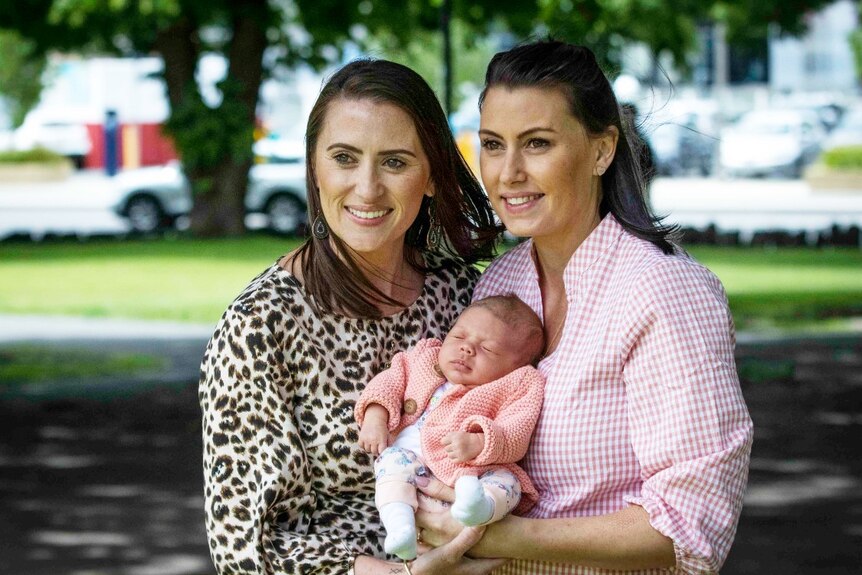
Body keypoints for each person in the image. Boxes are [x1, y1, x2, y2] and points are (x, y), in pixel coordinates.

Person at [415, 40, 754, 575]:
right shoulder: (503, 282)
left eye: (538, 143)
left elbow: (691, 524)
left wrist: (504, 538)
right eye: (493, 144)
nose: (507, 173)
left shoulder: (662, 291)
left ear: (601, 150)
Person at [198, 58, 506, 575]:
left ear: (431, 176)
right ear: (314, 167)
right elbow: (247, 544)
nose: (366, 188)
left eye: (394, 162)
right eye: (344, 157)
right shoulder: (260, 326)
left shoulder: (466, 295)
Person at [355, 295, 545, 560]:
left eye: (487, 349)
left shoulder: (516, 386)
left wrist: (480, 443)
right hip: (413, 460)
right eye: (459, 337)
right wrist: (376, 417)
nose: (466, 349)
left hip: (476, 472)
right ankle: (400, 527)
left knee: (508, 482)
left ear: (516, 367)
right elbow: (388, 381)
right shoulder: (424, 358)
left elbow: (517, 430)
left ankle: (481, 506)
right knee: (390, 463)